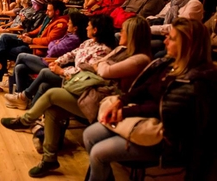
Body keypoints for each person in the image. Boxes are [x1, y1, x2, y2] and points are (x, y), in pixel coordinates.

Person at [0, 16, 153, 178]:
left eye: (123, 30)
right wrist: (73, 65)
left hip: (102, 102)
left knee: (51, 92)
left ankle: (25, 119)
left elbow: (103, 71)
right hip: (90, 90)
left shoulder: (137, 58)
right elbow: (93, 67)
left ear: (133, 34)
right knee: (52, 109)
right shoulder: (120, 50)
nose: (120, 32)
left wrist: (86, 68)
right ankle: (49, 158)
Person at [83, 18, 217, 181]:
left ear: (188, 45)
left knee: (98, 152)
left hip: (166, 139)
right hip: (144, 120)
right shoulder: (168, 63)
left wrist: (124, 112)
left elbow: (160, 109)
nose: (165, 41)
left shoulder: (198, 82)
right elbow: (144, 87)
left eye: (172, 38)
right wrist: (121, 101)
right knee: (89, 134)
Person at [0, 0, 68, 92]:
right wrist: (29, 34)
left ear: (57, 12)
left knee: (2, 50)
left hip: (37, 49)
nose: (46, 12)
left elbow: (49, 41)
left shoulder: (61, 24)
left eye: (49, 10)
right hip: (33, 42)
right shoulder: (50, 19)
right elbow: (39, 30)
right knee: (4, 38)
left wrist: (31, 39)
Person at [4, 11, 89, 109]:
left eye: (70, 23)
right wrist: (53, 43)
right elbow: (52, 43)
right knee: (20, 67)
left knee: (21, 56)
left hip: (51, 63)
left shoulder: (74, 39)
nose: (68, 24)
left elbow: (53, 49)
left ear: (75, 28)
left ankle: (19, 95)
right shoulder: (68, 35)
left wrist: (53, 44)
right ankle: (20, 97)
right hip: (49, 60)